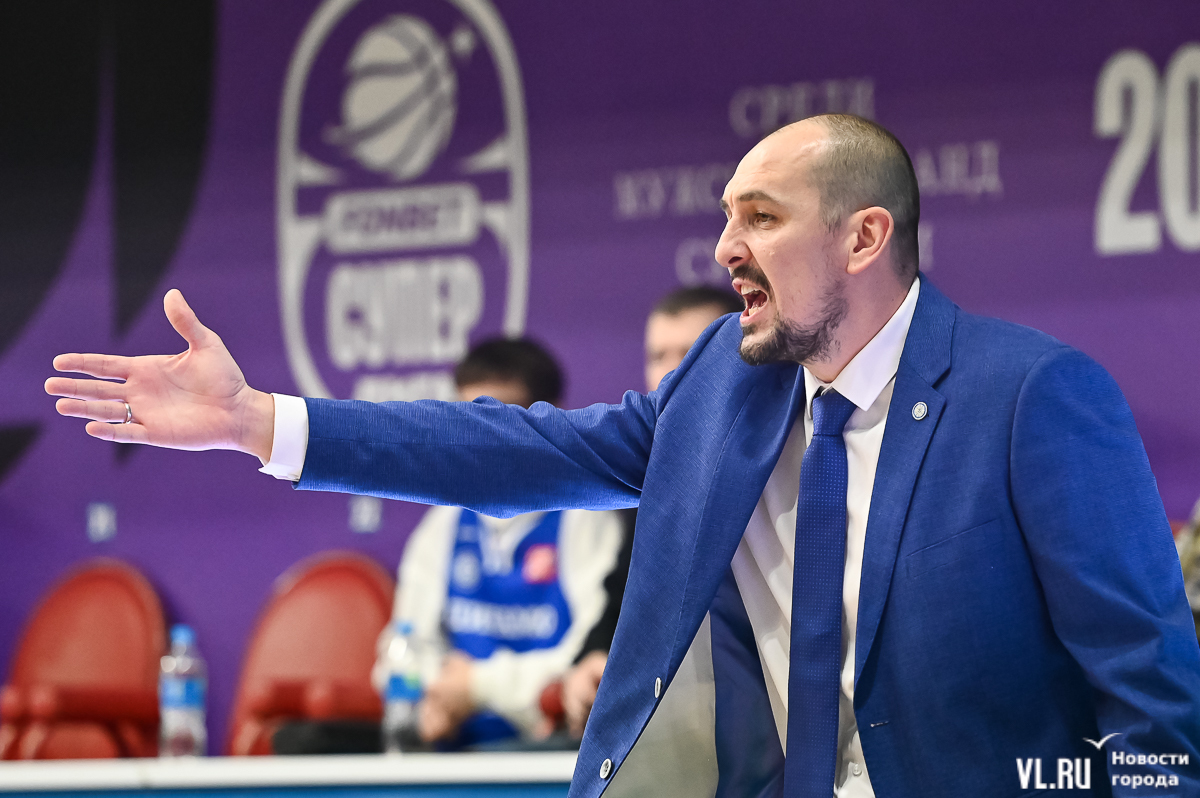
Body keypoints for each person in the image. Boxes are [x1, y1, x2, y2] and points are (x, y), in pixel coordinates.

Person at [47, 114, 1200, 798]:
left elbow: (1152, 694)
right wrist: (261, 422)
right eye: (726, 216)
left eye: (760, 217)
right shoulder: (724, 382)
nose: (724, 245)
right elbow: (520, 449)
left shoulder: (1031, 397)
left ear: (864, 237)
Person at [372, 338, 623, 748]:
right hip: (459, 745)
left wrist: (479, 686)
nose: (482, 438)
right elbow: (405, 648)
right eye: (467, 419)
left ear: (553, 417)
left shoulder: (586, 517)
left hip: (551, 748)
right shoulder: (445, 522)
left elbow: (592, 662)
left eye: (502, 418)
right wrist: (436, 697)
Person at [563, 286, 742, 738]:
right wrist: (592, 659)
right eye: (658, 355)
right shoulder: (654, 475)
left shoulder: (788, 461)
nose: (669, 371)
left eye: (690, 351)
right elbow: (621, 599)